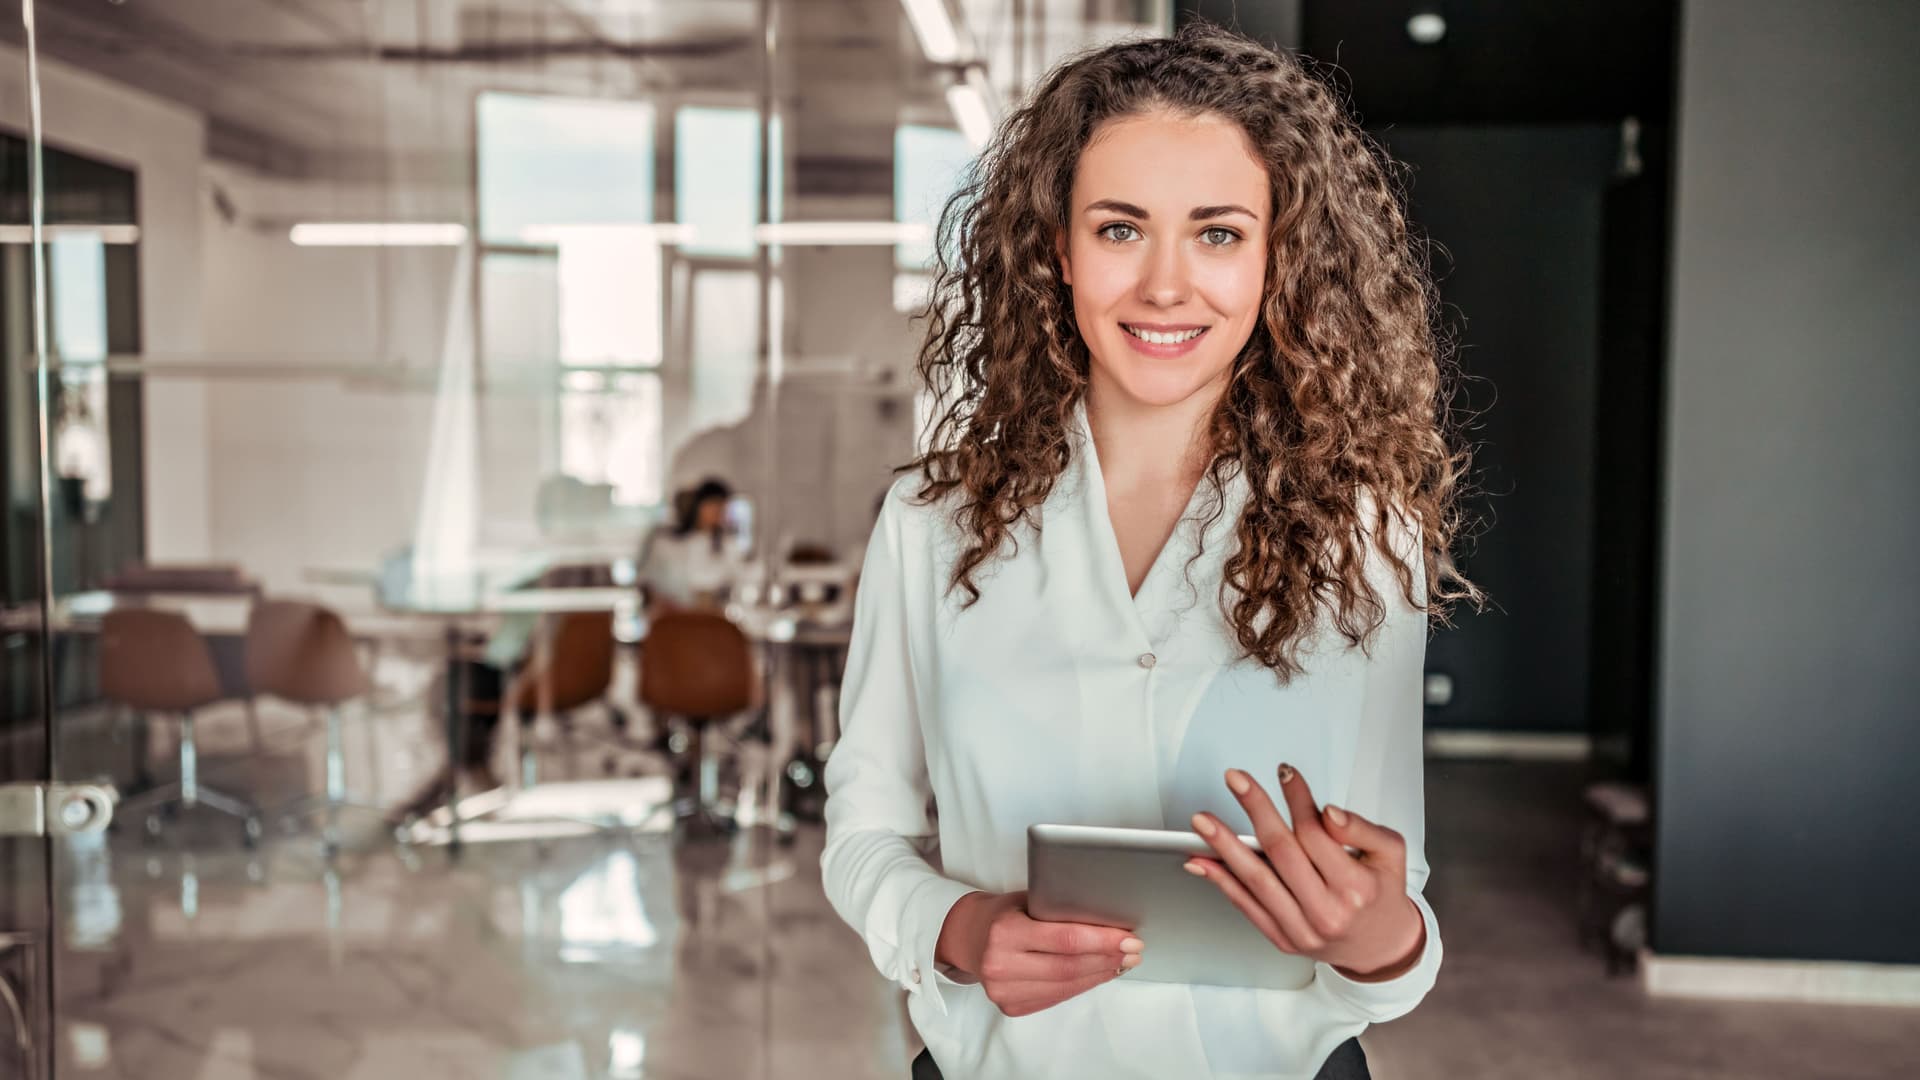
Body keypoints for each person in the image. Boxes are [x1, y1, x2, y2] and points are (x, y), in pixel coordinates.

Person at [820, 23, 1482, 1080]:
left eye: (1218, 234)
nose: (1167, 286)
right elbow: (862, 835)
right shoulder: (930, 524)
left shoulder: (1364, 537)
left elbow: (1393, 929)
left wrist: (1376, 935)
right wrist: (959, 928)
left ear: (1276, 260)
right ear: (1059, 251)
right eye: (1121, 229)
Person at [637, 477, 749, 611]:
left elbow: (738, 581)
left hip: (714, 616)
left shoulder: (728, 545)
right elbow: (649, 582)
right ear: (698, 505)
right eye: (713, 505)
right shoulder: (667, 543)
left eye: (722, 507)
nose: (717, 512)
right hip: (673, 615)